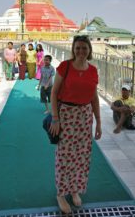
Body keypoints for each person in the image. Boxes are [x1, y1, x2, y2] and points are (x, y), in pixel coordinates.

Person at [50, 35, 102, 214]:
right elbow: (54, 93)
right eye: (77, 48)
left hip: (84, 116)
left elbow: (94, 97)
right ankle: (61, 193)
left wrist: (99, 122)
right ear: (73, 49)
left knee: (81, 155)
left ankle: (74, 189)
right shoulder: (65, 67)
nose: (81, 51)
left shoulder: (93, 70)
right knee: (64, 155)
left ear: (89, 50)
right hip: (66, 114)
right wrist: (55, 118)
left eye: (84, 48)